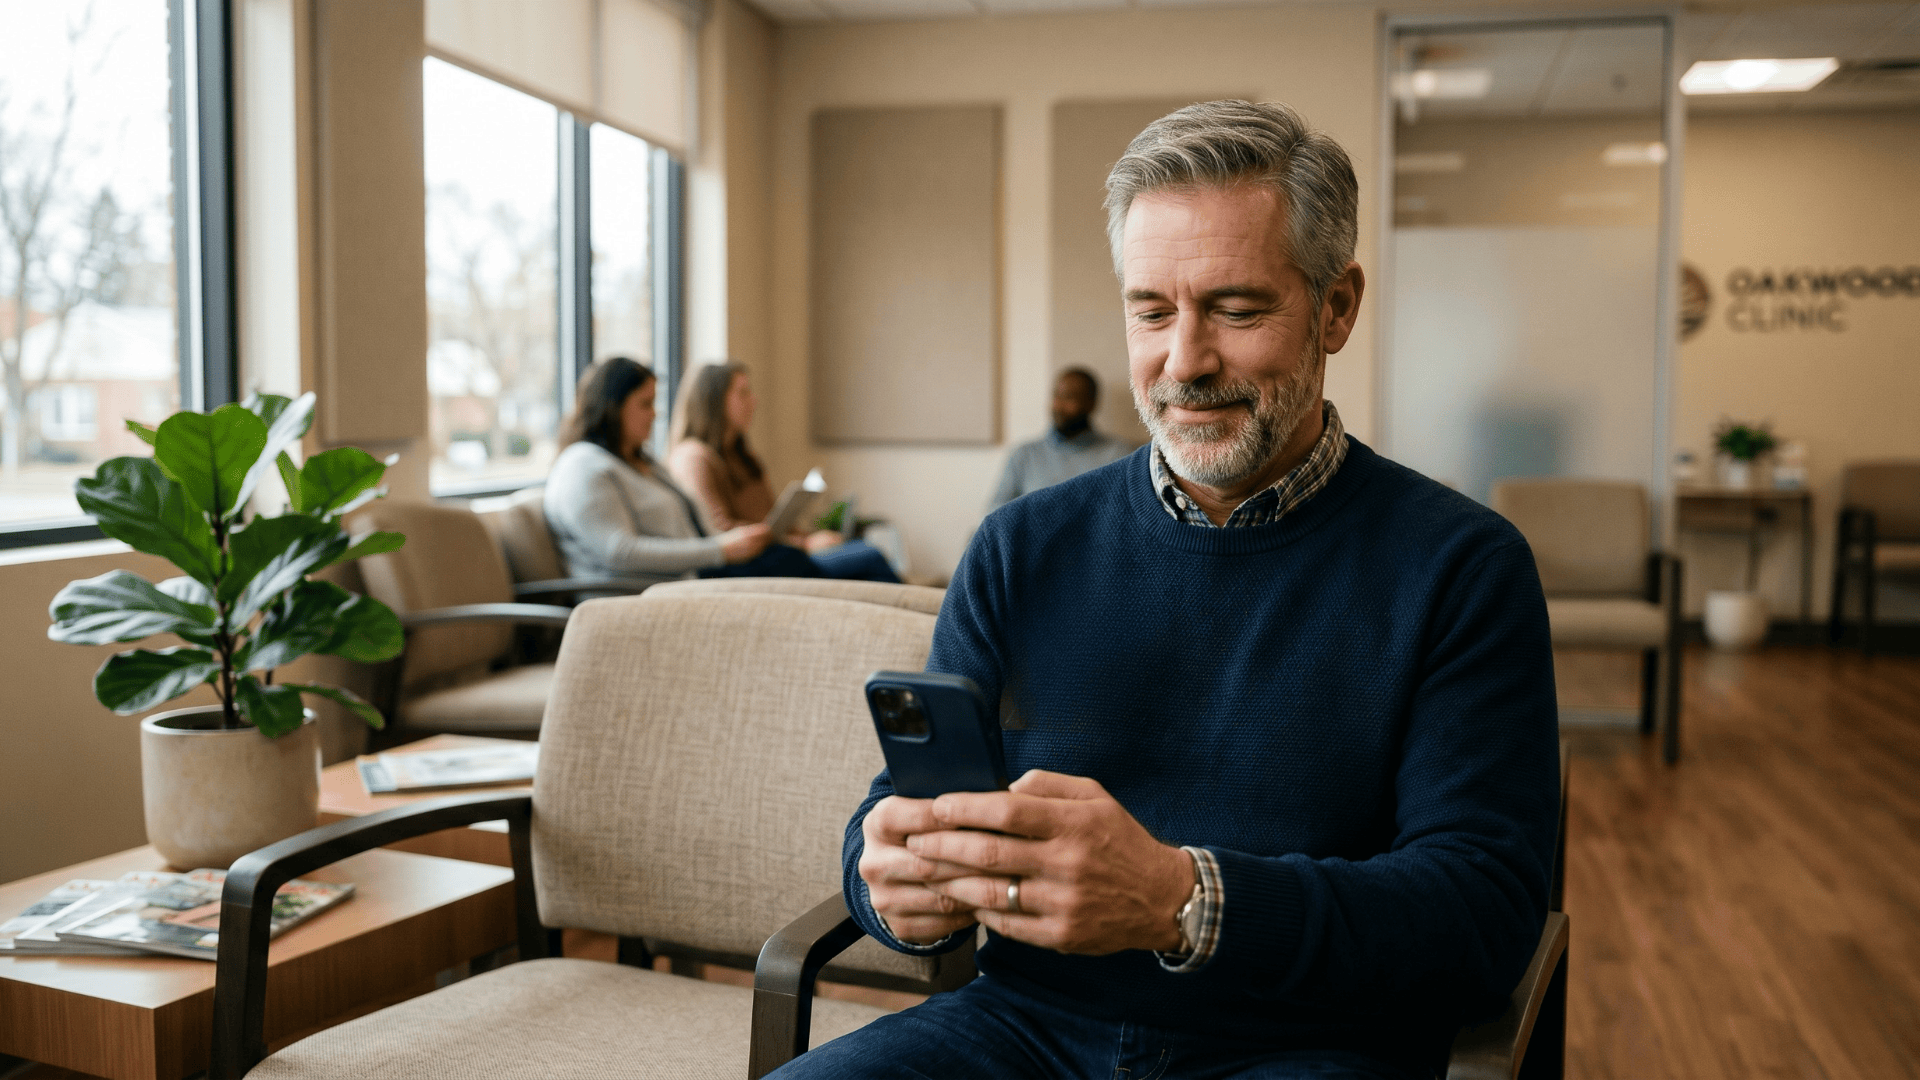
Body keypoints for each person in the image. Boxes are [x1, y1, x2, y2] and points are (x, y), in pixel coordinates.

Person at [773, 101, 1559, 1079]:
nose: (1183, 362)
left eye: (1236, 308)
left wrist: (1182, 901)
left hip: (1306, 1043)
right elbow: (907, 807)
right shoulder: (1021, 548)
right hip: (1021, 1026)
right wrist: (888, 885)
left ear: (1338, 307)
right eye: (1151, 310)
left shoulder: (1462, 569)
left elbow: (1481, 918)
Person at [668, 360, 898, 582]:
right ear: (715, 400)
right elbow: (721, 533)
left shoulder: (742, 456)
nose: (754, 401)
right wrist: (804, 545)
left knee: (864, 552)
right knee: (870, 557)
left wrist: (809, 539)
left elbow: (774, 521)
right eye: (743, 393)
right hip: (757, 564)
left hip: (780, 553)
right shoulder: (693, 458)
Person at [985, 367, 1135, 510]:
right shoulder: (1024, 454)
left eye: (1069, 397)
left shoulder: (1119, 454)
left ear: (1091, 404)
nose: (1059, 405)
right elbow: (993, 512)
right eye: (1056, 396)